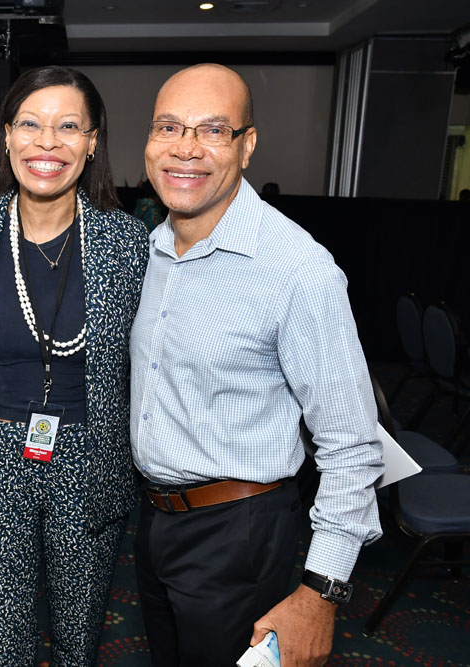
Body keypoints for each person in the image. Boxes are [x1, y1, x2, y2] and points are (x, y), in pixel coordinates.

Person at [130, 63, 383, 667]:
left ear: (247, 146)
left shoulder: (297, 269)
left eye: (213, 130)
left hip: (238, 533)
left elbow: (352, 445)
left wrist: (321, 592)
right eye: (169, 127)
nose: (186, 148)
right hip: (156, 521)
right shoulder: (152, 248)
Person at [0, 66, 149, 666]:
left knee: (78, 641)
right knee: (4, 643)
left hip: (91, 458)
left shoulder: (127, 242)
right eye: (31, 124)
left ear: (92, 143)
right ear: (8, 136)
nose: (47, 143)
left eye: (68, 127)